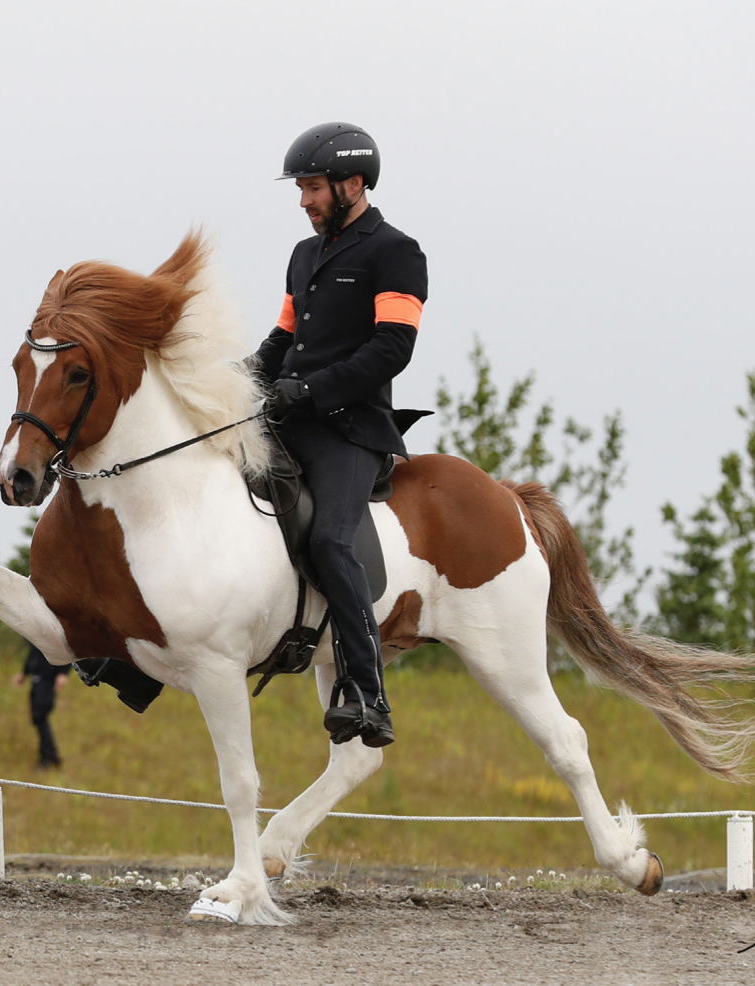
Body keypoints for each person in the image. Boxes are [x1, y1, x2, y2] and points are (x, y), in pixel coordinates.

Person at [251, 122, 428, 749]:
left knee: (329, 539)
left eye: (314, 188)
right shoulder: (304, 255)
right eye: (301, 190)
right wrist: (242, 380)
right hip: (287, 419)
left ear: (354, 184)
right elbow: (282, 339)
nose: (304, 201)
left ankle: (368, 691)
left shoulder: (396, 252)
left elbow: (392, 349)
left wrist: (314, 389)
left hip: (350, 429)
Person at [12, 643, 69, 768]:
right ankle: (51, 756)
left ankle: (48, 758)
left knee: (40, 716)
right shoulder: (36, 635)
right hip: (36, 680)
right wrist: (24, 673)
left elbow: (65, 651)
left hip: (48, 680)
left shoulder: (53, 633)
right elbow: (33, 654)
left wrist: (63, 673)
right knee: (36, 718)